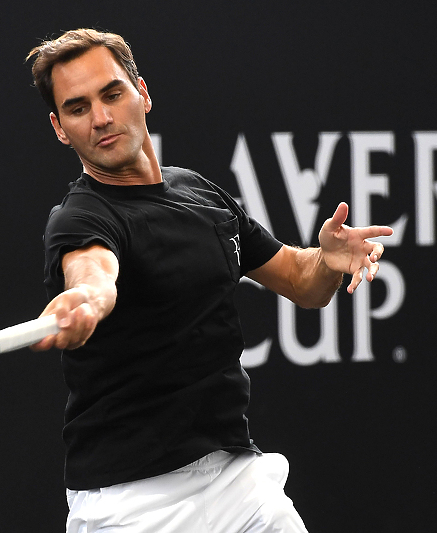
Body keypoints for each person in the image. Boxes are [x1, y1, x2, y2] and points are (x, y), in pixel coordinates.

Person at [26, 29, 393, 533]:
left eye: (112, 94)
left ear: (143, 93)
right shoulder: (79, 219)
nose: (102, 118)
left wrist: (327, 261)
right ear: (60, 128)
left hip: (236, 482)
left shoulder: (197, 192)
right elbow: (92, 275)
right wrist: (86, 300)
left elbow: (300, 281)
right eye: (78, 107)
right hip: (130, 505)